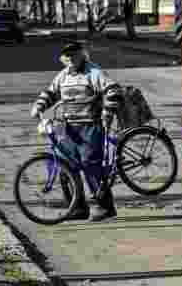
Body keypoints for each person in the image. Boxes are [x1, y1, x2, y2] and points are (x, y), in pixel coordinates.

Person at [30, 42, 124, 221]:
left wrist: (107, 112)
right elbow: (50, 92)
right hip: (69, 128)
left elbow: (114, 90)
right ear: (63, 59)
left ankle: (105, 208)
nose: (71, 59)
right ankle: (77, 207)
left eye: (74, 55)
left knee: (91, 166)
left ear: (83, 55)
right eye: (68, 56)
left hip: (91, 127)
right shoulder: (63, 76)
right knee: (65, 166)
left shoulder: (93, 72)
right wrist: (39, 106)